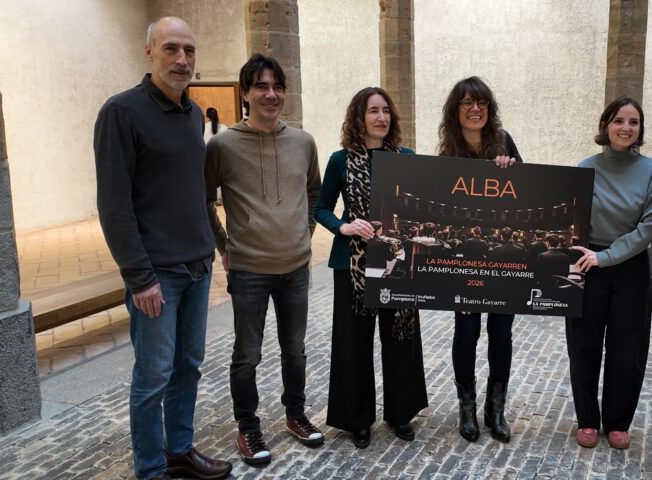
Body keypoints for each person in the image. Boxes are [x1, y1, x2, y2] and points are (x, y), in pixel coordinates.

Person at [94, 17, 231, 480]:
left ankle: (179, 450)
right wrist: (139, 276)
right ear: (148, 52)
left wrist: (219, 246)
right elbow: (114, 205)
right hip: (158, 275)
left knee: (188, 366)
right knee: (152, 376)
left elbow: (197, 193)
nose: (182, 59)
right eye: (171, 48)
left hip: (197, 266)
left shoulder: (193, 114)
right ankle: (151, 468)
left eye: (189, 50)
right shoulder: (122, 113)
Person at [205, 54, 324, 467]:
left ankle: (295, 415)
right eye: (261, 86)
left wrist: (303, 232)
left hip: (294, 268)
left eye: (277, 86)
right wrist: (225, 246)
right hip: (249, 270)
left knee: (295, 350)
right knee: (247, 354)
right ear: (245, 93)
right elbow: (204, 201)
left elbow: (314, 192)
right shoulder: (221, 145)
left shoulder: (303, 142)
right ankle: (248, 426)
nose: (270, 94)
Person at [314, 87, 429, 449]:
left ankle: (400, 413)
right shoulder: (339, 160)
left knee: (400, 339)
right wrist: (343, 227)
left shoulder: (406, 157)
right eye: (372, 111)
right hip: (353, 264)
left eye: (385, 111)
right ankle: (357, 419)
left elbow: (424, 203)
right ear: (358, 118)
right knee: (354, 343)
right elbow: (320, 208)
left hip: (396, 261)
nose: (381, 117)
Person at [566, 97, 652, 450]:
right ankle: (588, 420)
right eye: (619, 120)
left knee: (628, 346)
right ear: (606, 125)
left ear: (640, 129)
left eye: (634, 122)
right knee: (584, 344)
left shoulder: (651, 171)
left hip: (630, 265)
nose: (626, 127)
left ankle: (619, 422)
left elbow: (649, 226)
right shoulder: (585, 168)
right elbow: (572, 217)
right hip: (586, 262)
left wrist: (606, 257)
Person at [439, 76, 521, 443]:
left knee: (501, 332)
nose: (475, 109)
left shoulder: (505, 143)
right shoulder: (447, 156)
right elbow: (444, 211)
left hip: (501, 262)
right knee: (467, 331)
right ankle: (467, 409)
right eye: (467, 103)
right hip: (467, 261)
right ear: (455, 111)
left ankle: (496, 410)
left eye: (482, 103)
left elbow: (525, 193)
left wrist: (511, 169)